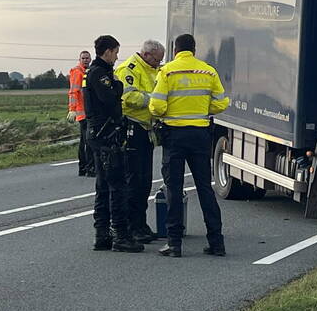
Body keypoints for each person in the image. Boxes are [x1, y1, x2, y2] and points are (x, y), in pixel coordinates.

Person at [149, 33, 229, 258]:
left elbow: (156, 106)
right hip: (201, 135)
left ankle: (174, 244)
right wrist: (204, 111)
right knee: (205, 188)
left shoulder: (167, 71)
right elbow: (222, 102)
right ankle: (216, 242)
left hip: (174, 136)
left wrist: (168, 112)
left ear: (176, 50)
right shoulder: (208, 71)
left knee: (173, 188)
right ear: (194, 49)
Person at [83, 35, 143, 253]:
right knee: (116, 186)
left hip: (99, 134)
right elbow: (110, 97)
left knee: (103, 186)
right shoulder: (100, 73)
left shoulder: (96, 72)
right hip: (105, 134)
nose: (117, 57)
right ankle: (120, 235)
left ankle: (102, 234)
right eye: (116, 52)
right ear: (107, 51)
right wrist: (117, 85)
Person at [117, 39, 165, 244]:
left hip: (146, 129)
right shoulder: (130, 69)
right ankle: (131, 226)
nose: (158, 63)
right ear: (147, 55)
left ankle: (141, 223)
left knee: (145, 181)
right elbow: (129, 97)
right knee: (134, 181)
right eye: (156, 59)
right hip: (132, 127)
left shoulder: (152, 70)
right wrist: (154, 100)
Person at [68, 50, 94, 176]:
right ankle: (88, 167)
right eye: (83, 58)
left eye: (87, 58)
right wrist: (72, 109)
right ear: (80, 59)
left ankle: (84, 168)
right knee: (88, 142)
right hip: (82, 113)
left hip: (87, 111)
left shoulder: (86, 72)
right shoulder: (77, 72)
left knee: (85, 141)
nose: (85, 60)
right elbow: (73, 92)